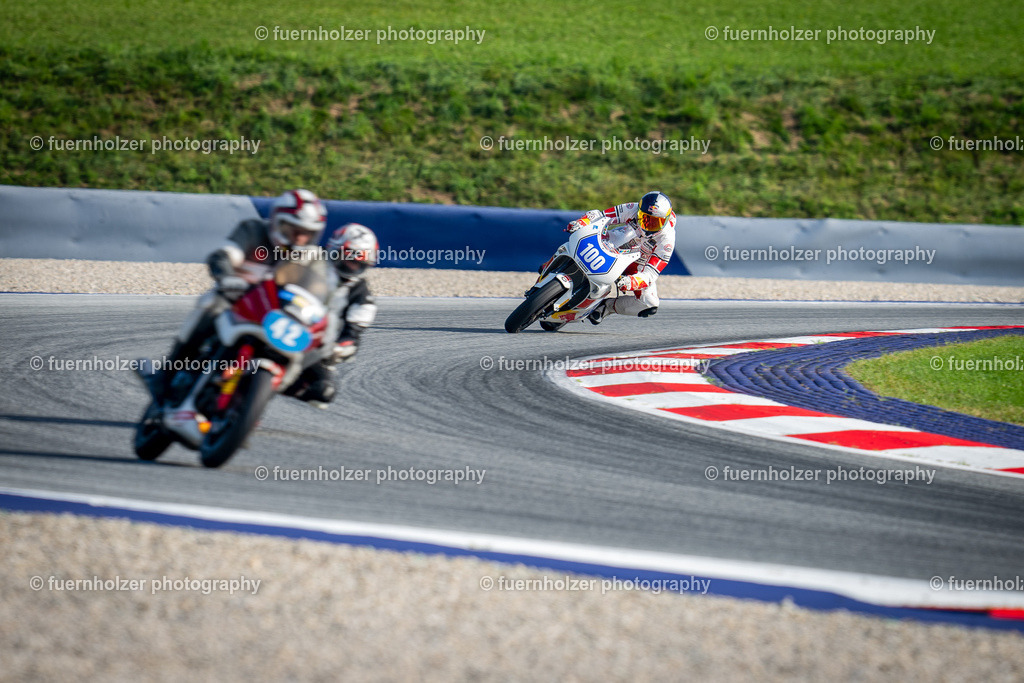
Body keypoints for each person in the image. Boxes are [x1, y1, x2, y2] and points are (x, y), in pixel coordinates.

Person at [152, 189, 370, 406]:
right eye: (293, 230)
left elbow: (321, 301)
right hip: (238, 301)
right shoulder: (253, 231)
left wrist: (325, 335)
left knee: (320, 389)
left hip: (277, 315)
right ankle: (169, 371)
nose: (300, 238)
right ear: (278, 221)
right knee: (211, 304)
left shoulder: (311, 256)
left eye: (307, 233)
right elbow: (225, 255)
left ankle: (253, 394)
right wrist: (227, 276)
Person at [564, 190, 676, 323]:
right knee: (579, 235)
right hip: (613, 241)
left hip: (636, 263)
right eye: (644, 218)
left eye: (655, 222)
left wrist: (632, 282)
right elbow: (601, 216)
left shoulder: (667, 240)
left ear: (665, 221)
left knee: (649, 304)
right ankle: (555, 263)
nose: (648, 225)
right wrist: (582, 222)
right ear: (639, 211)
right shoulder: (632, 208)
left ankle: (605, 307)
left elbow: (651, 273)